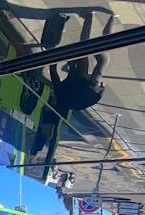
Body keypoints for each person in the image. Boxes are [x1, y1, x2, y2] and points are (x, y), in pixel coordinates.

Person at [30, 11, 115, 160]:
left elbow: (90, 101)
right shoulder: (60, 96)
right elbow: (55, 76)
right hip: (79, 76)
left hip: (91, 84)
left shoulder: (72, 106)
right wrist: (53, 59)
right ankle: (89, 18)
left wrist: (101, 90)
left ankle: (110, 20)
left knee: (103, 58)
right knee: (84, 45)